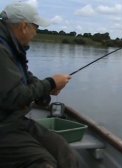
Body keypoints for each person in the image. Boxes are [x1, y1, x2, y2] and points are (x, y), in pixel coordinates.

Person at [0, 2, 78, 168]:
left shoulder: (13, 48)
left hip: (15, 121)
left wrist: (46, 89)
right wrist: (50, 83)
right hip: (4, 126)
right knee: (43, 163)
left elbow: (25, 76)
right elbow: (12, 97)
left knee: (64, 152)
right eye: (35, 27)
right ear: (23, 26)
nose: (36, 33)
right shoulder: (2, 50)